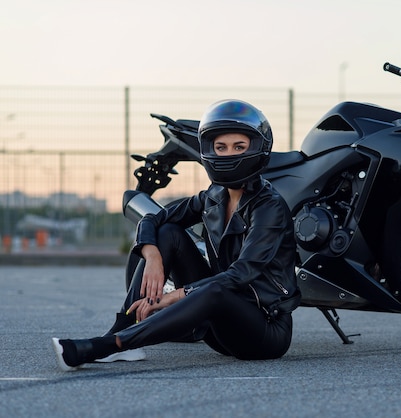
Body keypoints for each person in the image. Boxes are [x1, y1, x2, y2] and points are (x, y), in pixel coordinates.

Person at [52, 99, 300, 371]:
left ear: (257, 149)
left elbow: (241, 274)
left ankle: (111, 345)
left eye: (239, 147)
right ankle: (120, 330)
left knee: (217, 287)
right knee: (169, 233)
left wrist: (176, 295)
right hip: (217, 326)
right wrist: (152, 256)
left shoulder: (270, 207)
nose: (228, 155)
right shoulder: (213, 196)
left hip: (263, 331)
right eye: (220, 147)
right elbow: (153, 218)